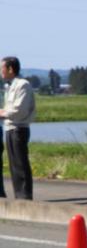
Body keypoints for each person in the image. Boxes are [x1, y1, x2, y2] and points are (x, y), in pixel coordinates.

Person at [0, 56, 35, 199]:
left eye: (2, 68)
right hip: (10, 128)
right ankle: (18, 195)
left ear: (10, 69)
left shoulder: (22, 85)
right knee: (14, 166)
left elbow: (19, 110)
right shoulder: (11, 85)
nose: (1, 72)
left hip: (19, 128)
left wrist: (2, 113)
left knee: (20, 164)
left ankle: (24, 196)